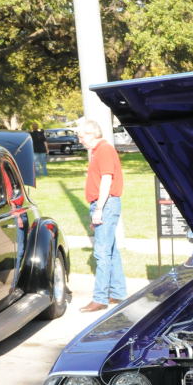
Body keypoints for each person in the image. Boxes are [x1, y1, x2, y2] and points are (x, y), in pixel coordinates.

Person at [77, 117, 127, 312]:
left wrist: (98, 209)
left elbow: (106, 180)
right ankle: (117, 292)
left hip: (105, 204)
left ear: (92, 134)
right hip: (105, 205)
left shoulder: (104, 150)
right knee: (111, 250)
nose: (80, 140)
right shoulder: (99, 150)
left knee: (102, 253)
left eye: (81, 136)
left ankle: (100, 298)